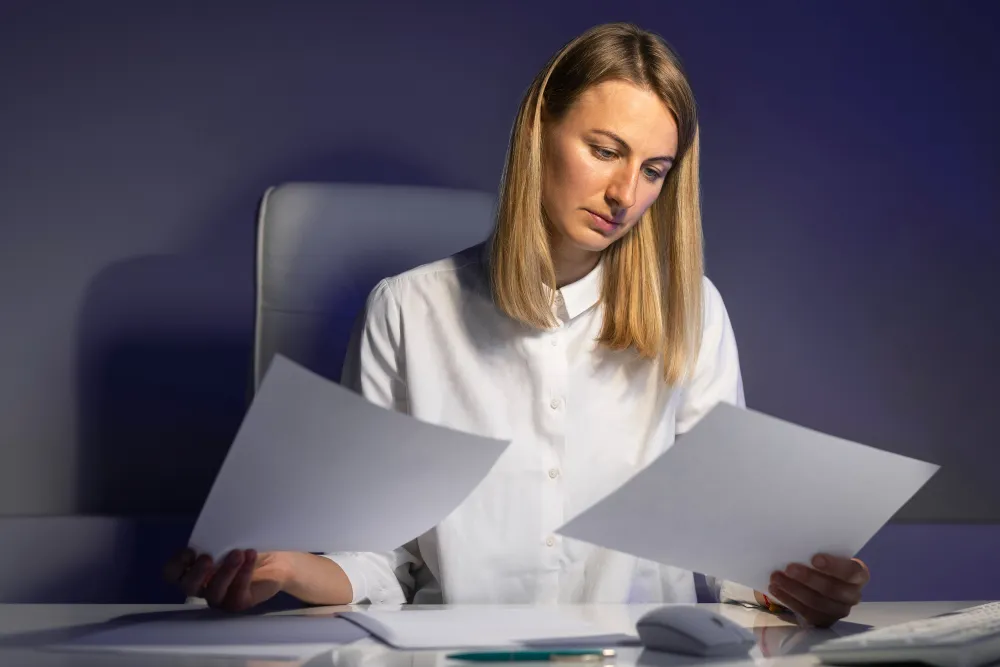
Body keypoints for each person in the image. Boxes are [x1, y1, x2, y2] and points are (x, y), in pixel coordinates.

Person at [163, 22, 870, 627]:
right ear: (539, 133)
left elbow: (723, 549)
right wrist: (288, 569)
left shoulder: (692, 310)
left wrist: (797, 585)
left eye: (654, 169)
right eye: (605, 150)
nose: (626, 194)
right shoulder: (408, 310)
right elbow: (383, 557)